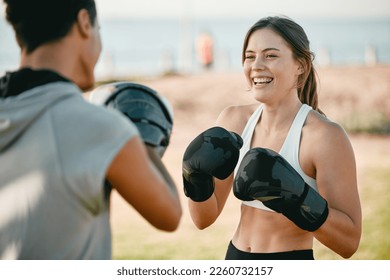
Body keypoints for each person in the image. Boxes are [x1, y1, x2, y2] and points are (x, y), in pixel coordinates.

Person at [0, 0, 181, 259]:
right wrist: (144, 139)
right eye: (99, 28)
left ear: (20, 35)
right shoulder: (98, 127)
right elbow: (169, 214)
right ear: (85, 23)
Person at [182, 16, 361, 260]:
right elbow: (203, 219)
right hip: (235, 258)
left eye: (270, 55)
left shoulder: (324, 136)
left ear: (300, 65)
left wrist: (297, 200)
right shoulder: (233, 121)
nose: (256, 65)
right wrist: (195, 178)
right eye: (250, 56)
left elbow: (349, 242)